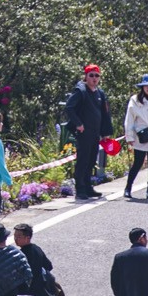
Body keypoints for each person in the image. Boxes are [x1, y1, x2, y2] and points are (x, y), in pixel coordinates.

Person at [64, 64, 112, 200]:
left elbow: (104, 113)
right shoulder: (81, 91)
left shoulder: (100, 93)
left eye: (97, 75)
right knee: (83, 161)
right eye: (91, 75)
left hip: (95, 132)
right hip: (84, 132)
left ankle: (88, 187)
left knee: (91, 161)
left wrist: (105, 132)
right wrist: (78, 123)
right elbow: (69, 107)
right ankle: (80, 189)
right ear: (86, 77)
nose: (94, 78)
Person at [12, 223, 55, 296]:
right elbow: (49, 266)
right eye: (15, 236)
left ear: (27, 238)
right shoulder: (37, 249)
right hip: (41, 291)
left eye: (19, 236)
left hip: (27, 294)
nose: (15, 239)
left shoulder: (20, 255)